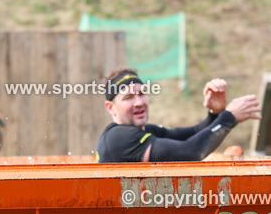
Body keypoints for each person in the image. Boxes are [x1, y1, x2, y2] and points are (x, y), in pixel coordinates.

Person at [96, 68, 261, 162]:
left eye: (141, 93)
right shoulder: (118, 137)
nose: (139, 102)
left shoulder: (143, 132)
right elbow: (189, 152)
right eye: (129, 98)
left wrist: (215, 113)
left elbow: (192, 135)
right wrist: (228, 118)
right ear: (111, 108)